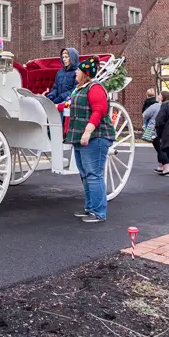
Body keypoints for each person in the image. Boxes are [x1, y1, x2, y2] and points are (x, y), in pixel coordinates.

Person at [64, 56, 115, 223]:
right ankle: (90, 208)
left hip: (95, 137)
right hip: (81, 138)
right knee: (85, 174)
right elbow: (67, 106)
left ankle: (99, 212)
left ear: (85, 73)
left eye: (78, 71)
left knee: (93, 174)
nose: (75, 73)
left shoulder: (95, 88)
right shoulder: (79, 89)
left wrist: (87, 131)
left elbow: (99, 110)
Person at [143, 90, 169, 176]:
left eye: (159, 95)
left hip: (155, 129)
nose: (158, 96)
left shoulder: (156, 106)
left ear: (162, 97)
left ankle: (166, 168)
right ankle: (160, 167)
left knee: (160, 148)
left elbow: (145, 114)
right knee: (161, 148)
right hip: (168, 130)